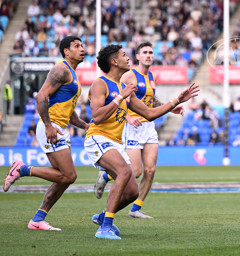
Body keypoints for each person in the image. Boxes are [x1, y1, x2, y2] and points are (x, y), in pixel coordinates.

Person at [86, 44, 199, 239]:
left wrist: (175, 101)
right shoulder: (100, 84)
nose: (127, 58)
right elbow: (96, 117)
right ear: (114, 62)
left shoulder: (124, 88)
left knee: (131, 191)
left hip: (117, 142)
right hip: (98, 138)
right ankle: (105, 227)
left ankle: (103, 216)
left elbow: (148, 113)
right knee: (125, 172)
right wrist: (120, 98)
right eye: (123, 55)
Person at [3, 36, 89, 231]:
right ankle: (22, 169)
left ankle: (37, 219)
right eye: (77, 46)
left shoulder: (73, 74)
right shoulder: (61, 69)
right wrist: (49, 126)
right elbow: (41, 96)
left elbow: (68, 111)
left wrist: (84, 125)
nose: (82, 49)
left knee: (62, 179)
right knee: (69, 176)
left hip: (59, 128)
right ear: (66, 51)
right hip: (52, 128)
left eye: (82, 45)